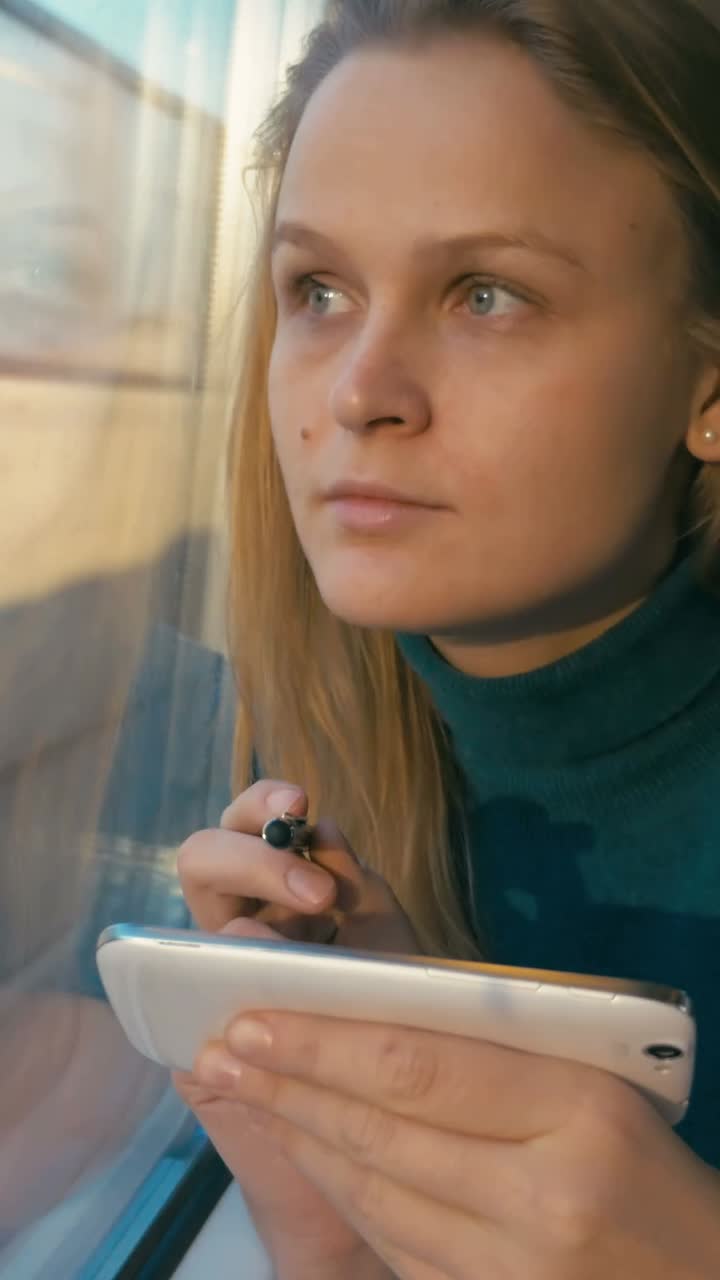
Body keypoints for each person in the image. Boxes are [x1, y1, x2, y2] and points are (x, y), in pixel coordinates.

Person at [172, 1, 720, 1275]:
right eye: (319, 288)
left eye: (485, 293)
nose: (359, 390)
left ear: (706, 385)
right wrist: (322, 1206)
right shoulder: (309, 751)